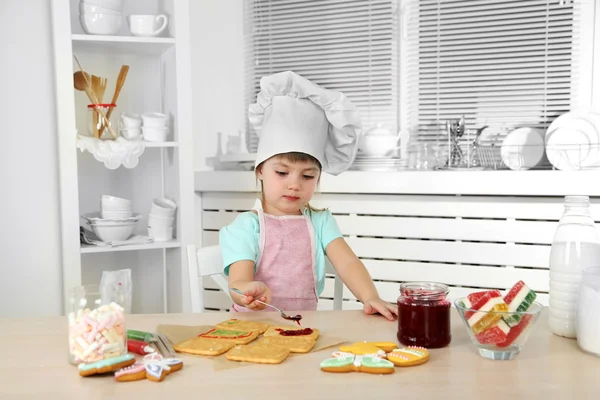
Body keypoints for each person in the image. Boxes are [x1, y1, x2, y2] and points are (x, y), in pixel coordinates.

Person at [219, 71, 398, 321]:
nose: (294, 185)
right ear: (260, 170)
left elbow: (347, 263)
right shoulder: (246, 226)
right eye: (282, 172)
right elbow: (238, 280)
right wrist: (247, 291)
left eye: (307, 176)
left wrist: (370, 297)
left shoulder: (320, 221)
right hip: (252, 324)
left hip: (304, 323)